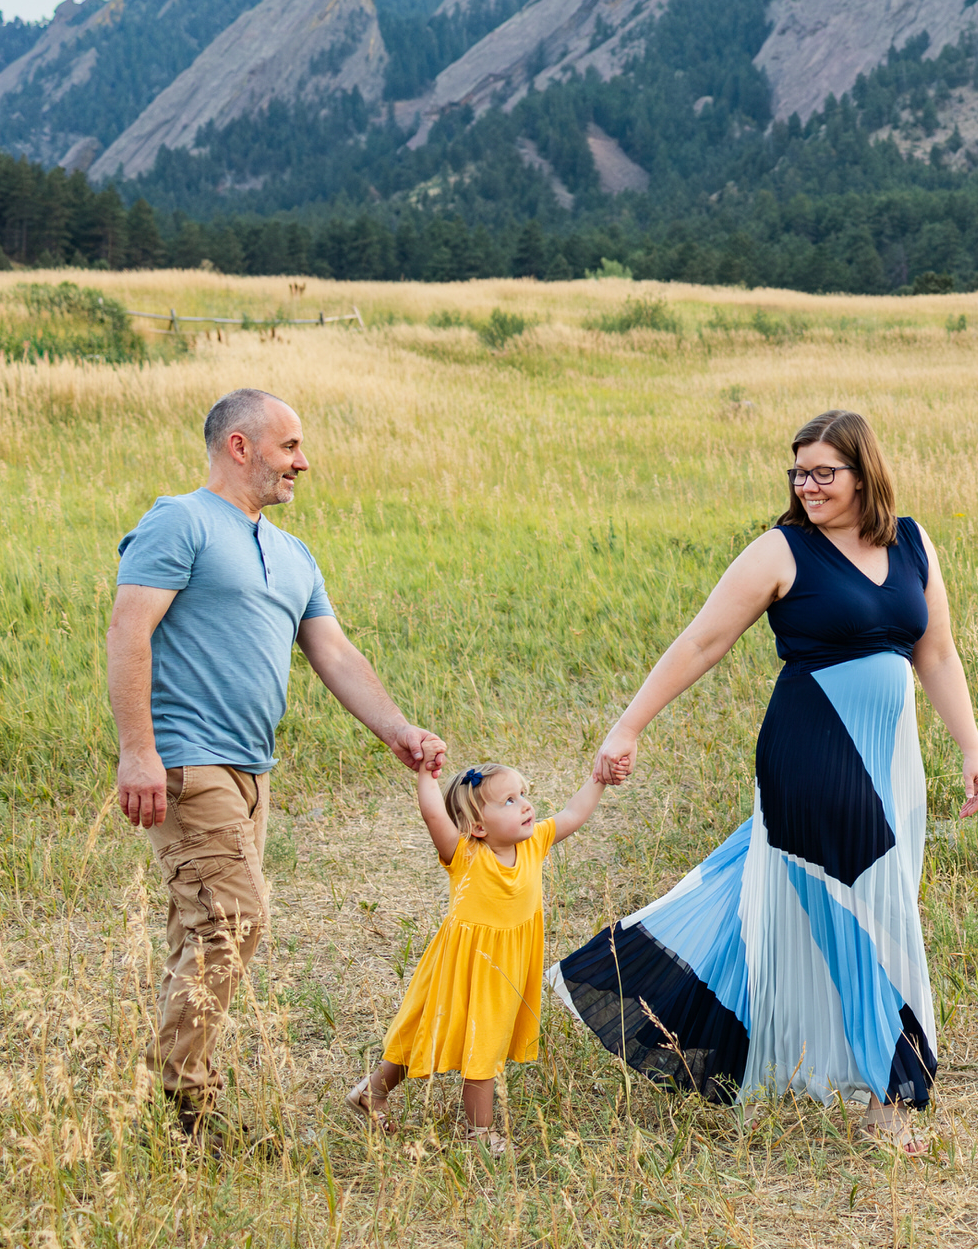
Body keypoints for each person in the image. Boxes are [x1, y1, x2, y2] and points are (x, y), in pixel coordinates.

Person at [550, 409, 978, 1153]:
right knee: (866, 908)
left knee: (824, 894)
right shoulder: (781, 550)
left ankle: (692, 1011)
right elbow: (703, 640)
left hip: (894, 765)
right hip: (812, 751)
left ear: (865, 473)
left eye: (824, 471)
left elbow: (937, 654)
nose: (806, 483)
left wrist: (971, 749)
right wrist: (628, 724)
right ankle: (892, 1089)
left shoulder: (912, 542)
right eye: (799, 470)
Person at [108, 387, 446, 1143]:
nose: (303, 459)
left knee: (204, 928)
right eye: (289, 445)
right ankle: (187, 1109)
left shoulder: (292, 552)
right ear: (240, 446)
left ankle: (172, 1095)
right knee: (233, 920)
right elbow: (129, 630)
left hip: (252, 770)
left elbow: (333, 650)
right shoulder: (180, 520)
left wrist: (396, 727)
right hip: (188, 760)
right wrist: (138, 749)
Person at [346, 758, 610, 1149]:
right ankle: (478, 1132)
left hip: (504, 968)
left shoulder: (535, 842)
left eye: (523, 795)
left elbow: (573, 812)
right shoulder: (466, 855)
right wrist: (425, 775)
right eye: (508, 801)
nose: (524, 805)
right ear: (478, 826)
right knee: (439, 1037)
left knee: (479, 1042)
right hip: (462, 967)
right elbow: (434, 814)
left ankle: (373, 1093)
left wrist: (598, 779)